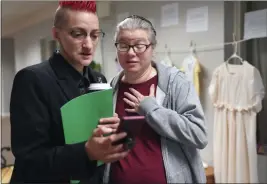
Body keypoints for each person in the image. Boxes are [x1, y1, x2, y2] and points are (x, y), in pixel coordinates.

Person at [9, 1, 129, 183]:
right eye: (78, 34)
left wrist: (113, 136)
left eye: (95, 35)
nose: (88, 45)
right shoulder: (32, 79)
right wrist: (87, 151)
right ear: (56, 34)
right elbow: (30, 159)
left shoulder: (98, 80)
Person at [102, 15, 208, 184]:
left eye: (139, 46)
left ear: (152, 48)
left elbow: (199, 135)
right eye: (123, 45)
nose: (130, 52)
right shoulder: (112, 86)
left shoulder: (176, 83)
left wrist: (152, 109)